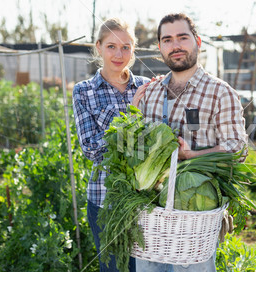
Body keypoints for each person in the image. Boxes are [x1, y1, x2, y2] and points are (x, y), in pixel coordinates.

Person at [136, 13, 248, 272]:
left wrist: (191, 156)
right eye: (167, 40)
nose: (175, 46)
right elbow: (136, 147)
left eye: (182, 37)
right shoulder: (150, 93)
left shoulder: (220, 92)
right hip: (151, 219)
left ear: (197, 42)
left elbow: (238, 149)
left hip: (193, 217)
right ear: (160, 48)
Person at [72, 18, 150, 272]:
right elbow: (92, 150)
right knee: (113, 272)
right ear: (98, 47)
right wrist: (132, 114)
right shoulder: (84, 91)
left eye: (126, 47)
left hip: (146, 200)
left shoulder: (146, 88)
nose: (119, 54)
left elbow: (157, 141)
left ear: (134, 50)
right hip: (104, 200)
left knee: (145, 272)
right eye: (111, 46)